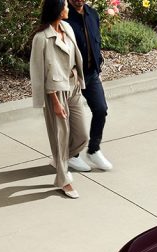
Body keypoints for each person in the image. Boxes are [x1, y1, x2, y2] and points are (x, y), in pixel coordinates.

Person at [30, 0, 88, 198]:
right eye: (64, 5)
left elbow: (75, 57)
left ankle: (59, 159)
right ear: (56, 10)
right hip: (55, 92)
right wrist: (53, 102)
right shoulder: (41, 38)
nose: (67, 9)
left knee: (82, 136)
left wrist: (79, 80)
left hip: (73, 87)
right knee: (61, 138)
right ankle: (63, 180)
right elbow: (39, 74)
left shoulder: (68, 27)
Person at [65, 0, 113, 172]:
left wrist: (98, 63)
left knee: (101, 109)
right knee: (73, 118)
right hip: (72, 77)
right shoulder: (64, 18)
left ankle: (93, 149)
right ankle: (72, 155)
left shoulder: (93, 14)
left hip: (91, 75)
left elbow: (96, 41)